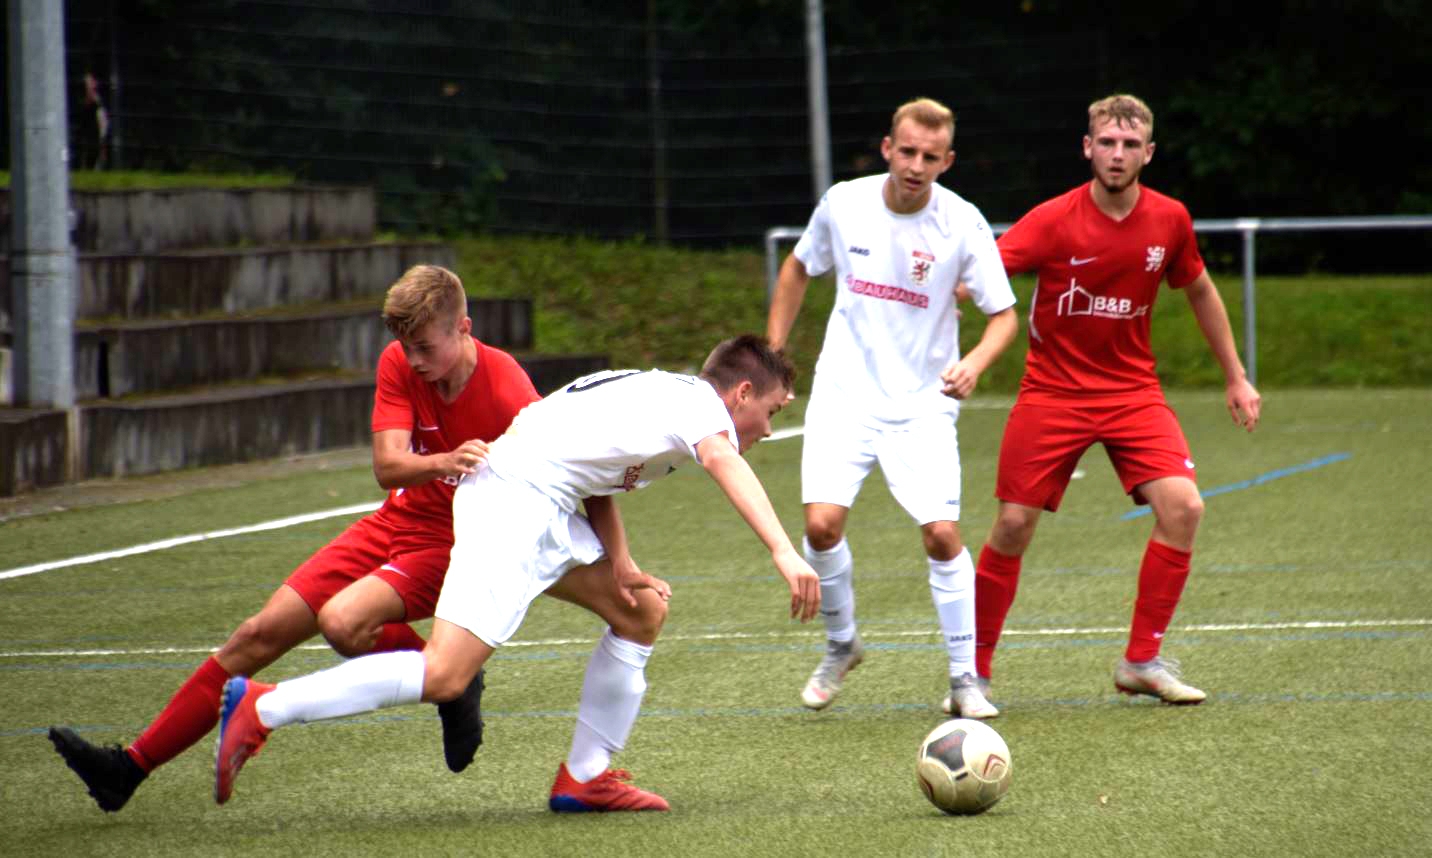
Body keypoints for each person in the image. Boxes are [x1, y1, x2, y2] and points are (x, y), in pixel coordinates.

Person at [213, 335, 821, 812]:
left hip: (540, 498)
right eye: (770, 411)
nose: (767, 429)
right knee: (447, 674)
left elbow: (596, 475)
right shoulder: (696, 408)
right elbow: (720, 458)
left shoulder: (661, 396)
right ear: (741, 393)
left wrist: (624, 563)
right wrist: (783, 551)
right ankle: (264, 708)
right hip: (514, 500)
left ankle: (585, 779)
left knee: (640, 612)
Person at [49, 265, 542, 812]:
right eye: (406, 348)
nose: (414, 360)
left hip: (450, 544)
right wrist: (446, 460)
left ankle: (446, 677)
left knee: (345, 625)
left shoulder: (508, 389)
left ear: (464, 329)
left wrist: (616, 561)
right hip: (392, 523)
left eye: (425, 347)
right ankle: (129, 768)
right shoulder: (400, 361)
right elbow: (388, 465)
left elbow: (564, 475)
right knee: (257, 634)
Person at [971, 94, 1262, 707]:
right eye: (1107, 142)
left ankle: (1142, 661)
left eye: (1131, 145)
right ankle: (973, 672)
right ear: (1087, 147)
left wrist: (1236, 376)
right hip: (1051, 391)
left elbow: (1202, 291)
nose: (1118, 154)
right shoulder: (1052, 219)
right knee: (1014, 524)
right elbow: (983, 277)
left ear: (1148, 154)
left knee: (1183, 508)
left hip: (1133, 392)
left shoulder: (1170, 220)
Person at [766, 97, 1018, 718]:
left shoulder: (962, 223)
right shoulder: (844, 203)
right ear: (887, 148)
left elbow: (1005, 316)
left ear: (947, 161)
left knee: (941, 534)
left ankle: (964, 680)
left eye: (930, 157)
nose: (915, 165)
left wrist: (975, 364)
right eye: (906, 152)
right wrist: (772, 355)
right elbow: (798, 269)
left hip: (924, 402)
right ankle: (842, 642)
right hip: (845, 391)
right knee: (822, 527)